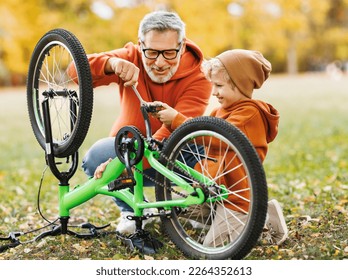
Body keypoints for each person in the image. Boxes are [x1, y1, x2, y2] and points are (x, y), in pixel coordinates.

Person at [68, 11, 212, 234]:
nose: (160, 62)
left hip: (174, 153)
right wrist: (111, 63)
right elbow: (74, 71)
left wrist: (129, 160)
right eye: (152, 52)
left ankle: (197, 205)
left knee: (211, 155)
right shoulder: (131, 56)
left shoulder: (200, 76)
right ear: (141, 44)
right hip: (129, 148)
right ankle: (132, 210)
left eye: (169, 53)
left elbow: (175, 129)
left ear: (182, 47)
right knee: (96, 157)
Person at [148, 49, 288, 245]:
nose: (214, 92)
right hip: (217, 192)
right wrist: (171, 123)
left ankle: (260, 223)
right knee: (175, 212)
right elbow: (200, 134)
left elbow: (219, 137)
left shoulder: (250, 114)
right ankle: (254, 215)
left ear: (241, 84)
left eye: (219, 85)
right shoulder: (220, 111)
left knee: (211, 247)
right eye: (213, 85)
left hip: (237, 201)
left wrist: (178, 120)